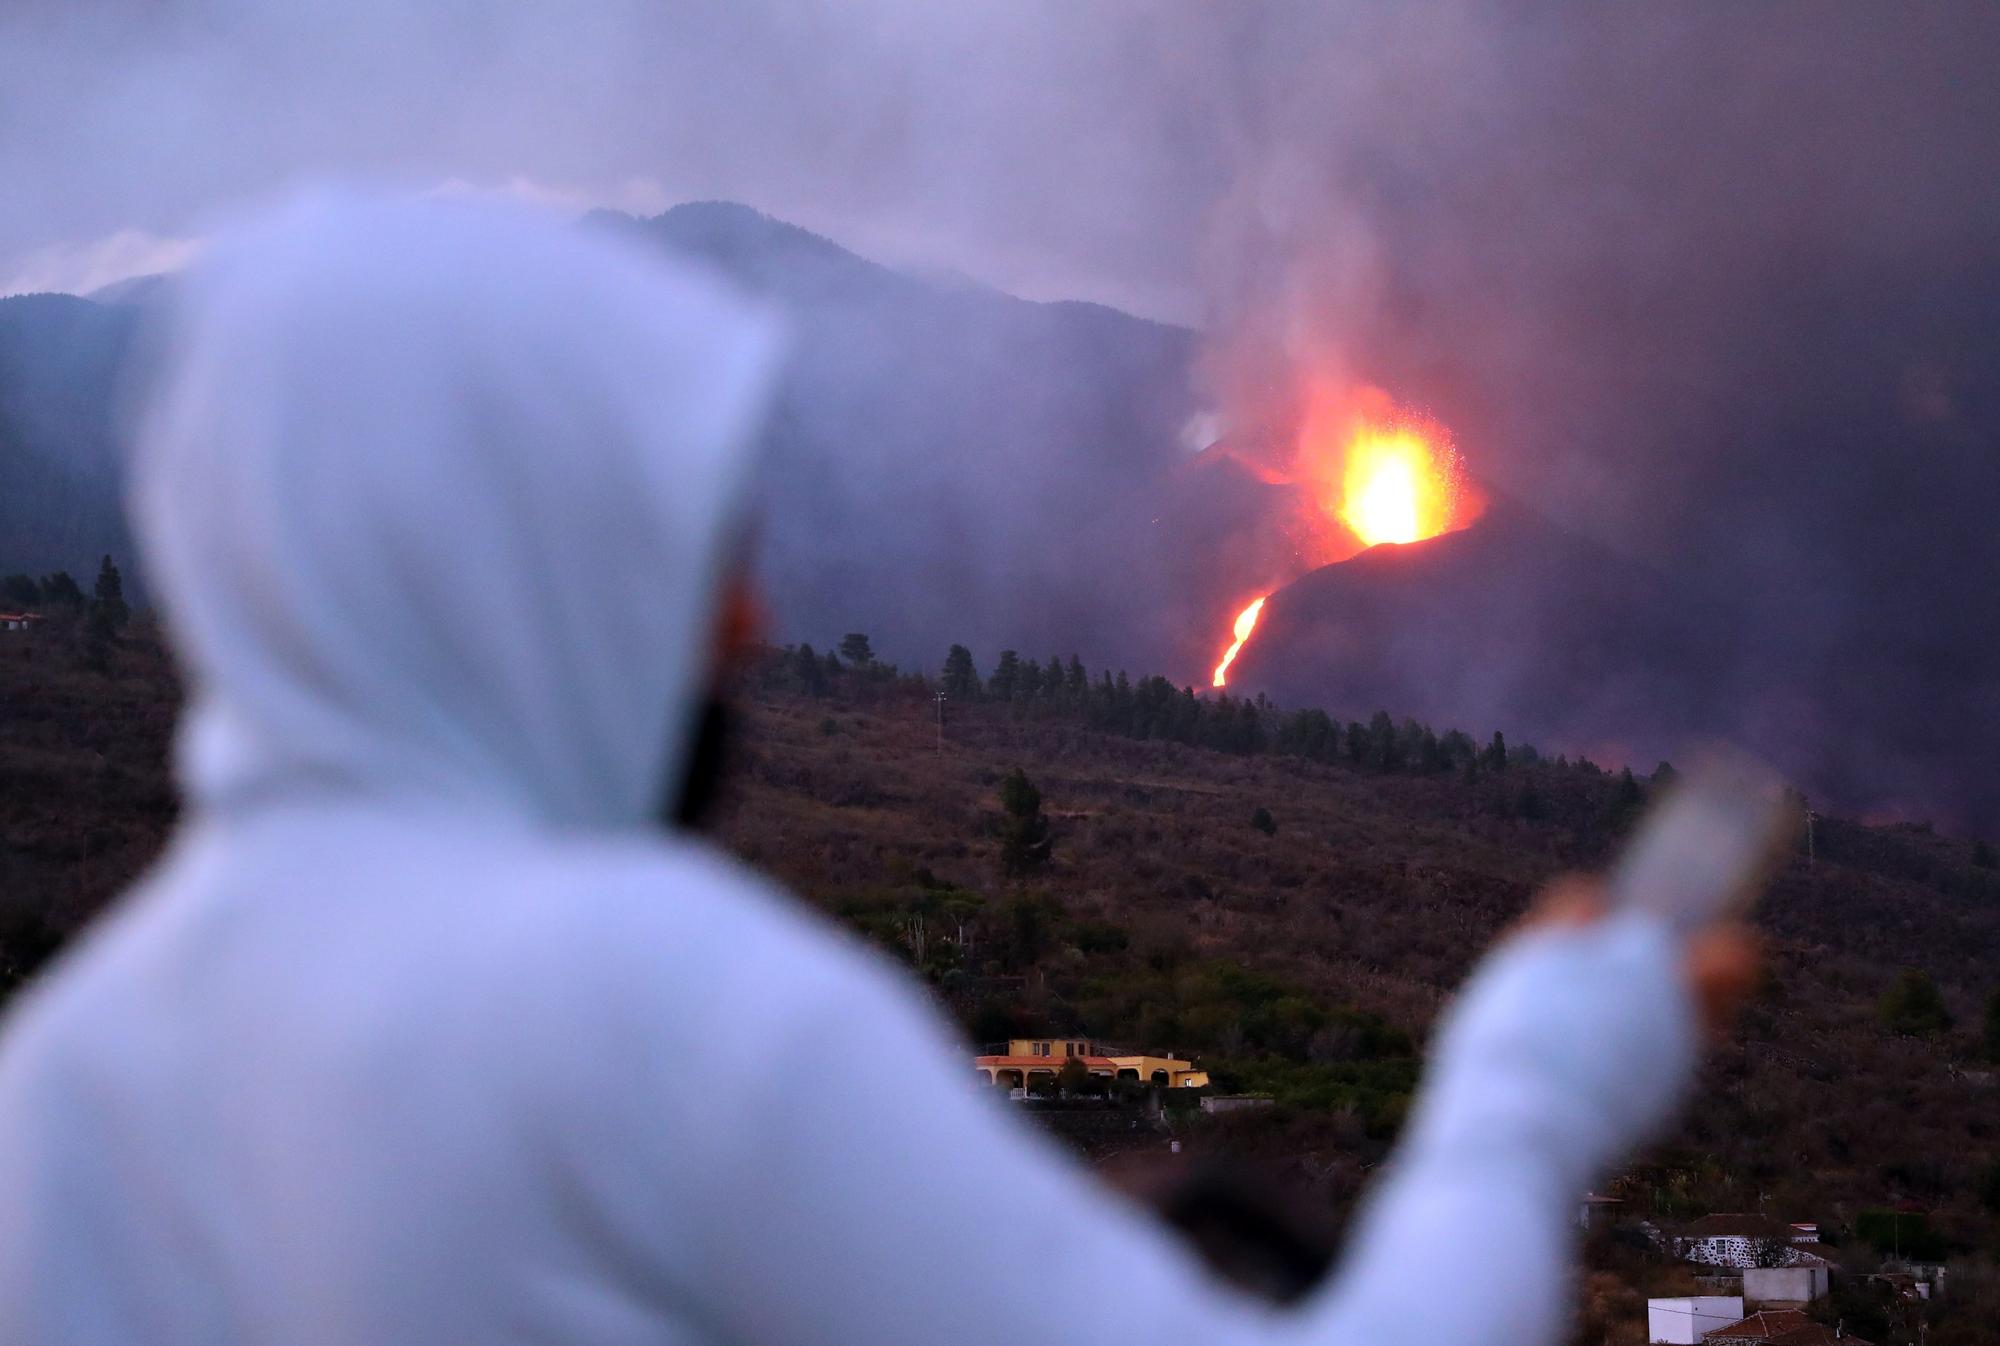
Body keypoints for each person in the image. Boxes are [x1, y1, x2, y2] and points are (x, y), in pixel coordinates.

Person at [0, 193, 1756, 1345]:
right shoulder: (642, 999)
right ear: (511, 551)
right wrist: (1536, 1086)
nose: (756, 624)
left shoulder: (59, 1095)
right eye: (684, 551)